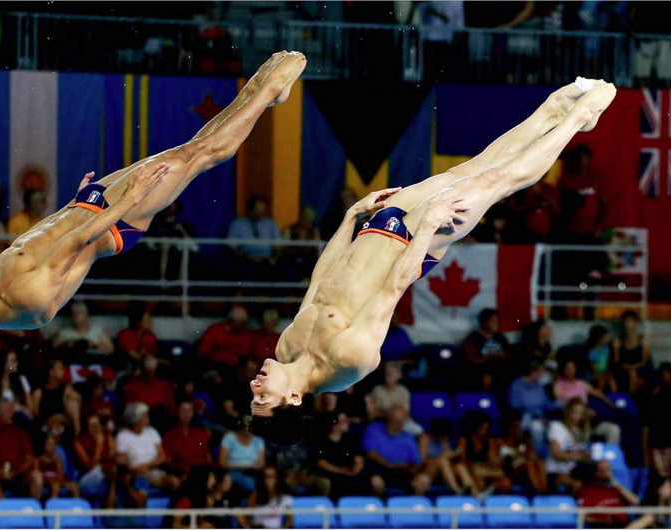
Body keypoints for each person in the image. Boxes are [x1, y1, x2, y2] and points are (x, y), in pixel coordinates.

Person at [248, 78, 618, 443]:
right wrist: (428, 226)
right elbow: (394, 288)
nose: (255, 386)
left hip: (376, 230)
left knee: (473, 167)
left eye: (254, 396)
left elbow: (319, 283)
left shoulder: (286, 347)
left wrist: (350, 219)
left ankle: (553, 108)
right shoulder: (349, 361)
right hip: (415, 242)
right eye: (263, 397)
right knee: (499, 181)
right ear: (294, 398)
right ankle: (578, 119)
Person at [0, 52, 307, 330]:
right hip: (117, 221)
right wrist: (131, 199)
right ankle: (269, 92)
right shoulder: (24, 301)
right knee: (199, 157)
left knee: (188, 151)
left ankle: (257, 91)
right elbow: (78, 243)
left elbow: (49, 236)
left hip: (91, 206)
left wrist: (75, 201)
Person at [362, 404, 431, 497]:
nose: (397, 425)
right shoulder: (373, 430)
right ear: (388, 419)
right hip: (380, 470)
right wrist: (390, 465)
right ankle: (380, 508)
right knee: (376, 482)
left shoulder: (408, 437)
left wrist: (410, 468)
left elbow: (416, 462)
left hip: (402, 472)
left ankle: (414, 508)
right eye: (394, 421)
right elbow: (371, 454)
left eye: (400, 422)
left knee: (423, 480)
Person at [553, 360, 621, 444]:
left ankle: (611, 454)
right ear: (564, 370)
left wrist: (611, 404)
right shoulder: (559, 384)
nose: (571, 370)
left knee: (614, 429)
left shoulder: (581, 383)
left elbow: (598, 394)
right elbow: (558, 403)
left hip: (588, 417)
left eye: (573, 368)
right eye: (568, 368)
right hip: (571, 419)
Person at [116, 402, 179, 492]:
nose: (148, 417)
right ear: (136, 418)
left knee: (174, 482)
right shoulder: (123, 436)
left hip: (154, 470)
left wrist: (147, 466)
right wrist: (136, 469)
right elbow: (122, 460)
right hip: (135, 473)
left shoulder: (152, 432)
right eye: (145, 415)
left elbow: (162, 456)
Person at [226, 195, 282, 280]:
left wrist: (274, 258)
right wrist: (248, 257)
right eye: (257, 211)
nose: (260, 214)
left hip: (266, 261)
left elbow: (277, 246)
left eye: (262, 211)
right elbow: (232, 247)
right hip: (246, 260)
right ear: (250, 210)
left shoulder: (271, 224)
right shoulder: (237, 224)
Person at [314, 412, 366, 499]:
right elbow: (321, 462)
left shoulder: (350, 440)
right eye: (343, 421)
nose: (347, 423)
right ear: (334, 425)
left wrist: (357, 467)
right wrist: (341, 471)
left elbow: (358, 457)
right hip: (330, 475)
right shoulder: (322, 442)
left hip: (350, 473)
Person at [456, 412, 510, 496]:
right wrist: (475, 466)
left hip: (485, 470)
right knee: (479, 479)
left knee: (506, 483)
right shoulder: (464, 440)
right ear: (476, 428)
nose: (484, 432)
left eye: (486, 429)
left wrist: (496, 461)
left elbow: (492, 459)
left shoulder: (489, 441)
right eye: (482, 429)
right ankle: (479, 497)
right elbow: (462, 460)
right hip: (472, 470)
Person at [547, 398, 592, 493]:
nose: (577, 416)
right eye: (575, 412)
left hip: (575, 471)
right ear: (568, 412)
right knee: (577, 484)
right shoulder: (557, 427)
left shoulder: (580, 431)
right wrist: (580, 457)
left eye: (580, 413)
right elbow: (557, 454)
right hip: (556, 472)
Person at [578, 460, 640, 529]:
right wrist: (602, 521)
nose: (606, 473)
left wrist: (616, 485)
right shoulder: (589, 491)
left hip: (623, 525)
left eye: (608, 470)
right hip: (602, 526)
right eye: (603, 470)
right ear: (596, 473)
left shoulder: (618, 488)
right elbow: (584, 517)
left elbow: (636, 502)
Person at [418, 418, 469, 495]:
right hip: (428, 469)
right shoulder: (425, 438)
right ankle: (457, 491)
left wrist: (453, 453)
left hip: (443, 471)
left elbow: (447, 454)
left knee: (460, 466)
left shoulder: (444, 440)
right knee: (442, 460)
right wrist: (439, 458)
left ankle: (472, 491)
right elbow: (422, 460)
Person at [32, 359, 82, 436]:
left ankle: (77, 435)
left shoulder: (66, 390)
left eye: (62, 369)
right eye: (59, 369)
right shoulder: (39, 392)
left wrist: (63, 417)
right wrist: (49, 421)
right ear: (51, 372)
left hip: (61, 425)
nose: (63, 372)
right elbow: (35, 415)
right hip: (46, 427)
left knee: (73, 402)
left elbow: (78, 399)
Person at [498, 416, 548, 493]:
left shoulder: (524, 443)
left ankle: (543, 489)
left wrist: (525, 453)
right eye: (514, 427)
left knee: (539, 463)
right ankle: (541, 492)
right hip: (508, 470)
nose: (517, 430)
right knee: (528, 463)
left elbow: (534, 456)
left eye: (519, 428)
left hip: (524, 473)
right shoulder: (499, 442)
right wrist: (517, 455)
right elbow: (497, 460)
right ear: (508, 427)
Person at [0, 349, 34, 420]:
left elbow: (31, 406)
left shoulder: (21, 379)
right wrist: (17, 408)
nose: (16, 363)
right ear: (4, 363)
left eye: (16, 361)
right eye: (13, 361)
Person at [163, 401, 212, 475]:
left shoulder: (201, 433)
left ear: (193, 413)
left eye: (189, 411)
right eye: (183, 411)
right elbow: (168, 460)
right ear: (177, 412)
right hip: (181, 472)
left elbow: (207, 456)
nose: (186, 414)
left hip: (202, 470)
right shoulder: (170, 435)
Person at [73, 413, 116, 499]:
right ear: (86, 427)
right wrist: (98, 446)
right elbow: (90, 467)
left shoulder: (108, 438)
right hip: (87, 477)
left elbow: (114, 458)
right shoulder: (78, 442)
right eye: (92, 426)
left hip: (110, 474)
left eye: (97, 425)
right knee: (107, 471)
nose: (95, 429)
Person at [217, 418, 265, 493]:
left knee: (255, 482)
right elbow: (221, 462)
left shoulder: (258, 440)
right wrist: (242, 467)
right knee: (249, 483)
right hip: (232, 471)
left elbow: (261, 463)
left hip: (252, 472)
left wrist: (252, 468)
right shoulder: (229, 437)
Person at [613, 310, 653, 394]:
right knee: (629, 374)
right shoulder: (618, 341)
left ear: (636, 323)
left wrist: (634, 367)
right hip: (623, 368)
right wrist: (625, 366)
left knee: (634, 374)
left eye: (631, 322)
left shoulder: (642, 340)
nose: (628, 325)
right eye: (626, 322)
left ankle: (631, 398)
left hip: (640, 367)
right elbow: (616, 360)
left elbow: (644, 361)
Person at [586, 325, 617, 392]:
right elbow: (594, 369)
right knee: (601, 380)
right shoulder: (593, 352)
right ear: (600, 338)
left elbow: (610, 363)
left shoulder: (606, 349)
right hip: (594, 374)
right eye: (605, 337)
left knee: (611, 379)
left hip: (604, 372)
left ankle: (615, 396)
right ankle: (600, 395)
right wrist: (600, 374)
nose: (607, 338)